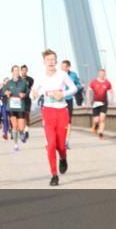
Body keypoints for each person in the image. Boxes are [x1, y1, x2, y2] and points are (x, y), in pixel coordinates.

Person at [32, 49, 78, 186]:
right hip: (48, 112)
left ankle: (63, 158)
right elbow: (33, 93)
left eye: (53, 59)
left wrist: (63, 94)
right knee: (51, 144)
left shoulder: (62, 74)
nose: (51, 62)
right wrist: (33, 95)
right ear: (44, 62)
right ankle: (54, 175)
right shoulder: (40, 76)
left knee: (61, 146)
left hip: (62, 112)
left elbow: (74, 88)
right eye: (48, 60)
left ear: (56, 61)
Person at [3, 65, 31, 151]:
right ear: (12, 72)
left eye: (17, 70)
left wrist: (24, 95)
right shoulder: (8, 83)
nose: (16, 72)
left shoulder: (23, 82)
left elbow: (28, 91)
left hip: (20, 107)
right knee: (14, 126)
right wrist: (6, 92)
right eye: (14, 70)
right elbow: (4, 91)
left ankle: (22, 134)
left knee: (21, 128)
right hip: (11, 107)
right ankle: (16, 145)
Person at [60, 59, 83, 150]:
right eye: (61, 67)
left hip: (69, 100)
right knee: (60, 122)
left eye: (64, 67)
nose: (62, 68)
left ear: (68, 67)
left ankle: (66, 141)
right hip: (59, 100)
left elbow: (78, 85)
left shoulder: (73, 75)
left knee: (68, 121)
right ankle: (60, 139)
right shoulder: (57, 75)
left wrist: (74, 88)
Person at [88, 68, 112, 138]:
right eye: (101, 74)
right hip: (95, 103)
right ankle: (95, 126)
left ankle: (101, 133)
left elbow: (111, 91)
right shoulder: (93, 82)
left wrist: (111, 99)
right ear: (99, 74)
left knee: (102, 119)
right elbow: (88, 91)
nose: (102, 75)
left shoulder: (107, 83)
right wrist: (89, 100)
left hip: (104, 102)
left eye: (103, 74)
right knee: (97, 120)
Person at [20, 64, 35, 143]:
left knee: (27, 115)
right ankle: (22, 131)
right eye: (22, 70)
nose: (24, 71)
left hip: (28, 99)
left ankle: (26, 130)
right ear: (21, 71)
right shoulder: (18, 79)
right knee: (21, 116)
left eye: (25, 70)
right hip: (19, 100)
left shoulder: (30, 79)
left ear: (27, 71)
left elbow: (32, 89)